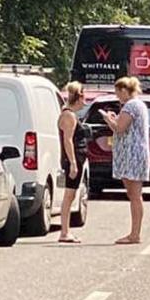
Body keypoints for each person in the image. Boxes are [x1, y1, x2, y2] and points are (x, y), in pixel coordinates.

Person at [102, 76, 149, 245]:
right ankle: (134, 232)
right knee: (134, 194)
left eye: (117, 93)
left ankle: (135, 234)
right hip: (135, 153)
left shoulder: (131, 105)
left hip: (132, 154)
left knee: (135, 195)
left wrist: (108, 119)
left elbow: (119, 128)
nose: (117, 96)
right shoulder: (138, 105)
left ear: (123, 90)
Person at [58, 82, 90, 243]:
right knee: (69, 195)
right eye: (84, 95)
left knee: (71, 195)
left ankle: (66, 230)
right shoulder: (69, 115)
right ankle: (65, 232)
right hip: (74, 158)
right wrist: (72, 163)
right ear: (78, 97)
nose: (86, 99)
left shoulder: (71, 114)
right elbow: (67, 140)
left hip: (77, 158)